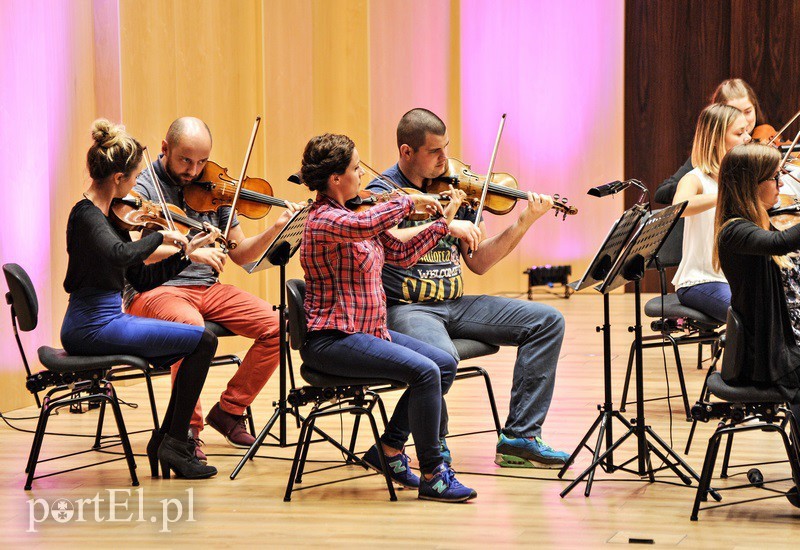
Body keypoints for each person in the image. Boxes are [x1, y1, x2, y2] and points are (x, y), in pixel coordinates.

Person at [366, 108, 569, 469]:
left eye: (446, 148)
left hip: (456, 304)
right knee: (437, 357)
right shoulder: (382, 193)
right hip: (407, 307)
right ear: (406, 152)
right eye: (434, 151)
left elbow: (479, 262)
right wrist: (444, 225)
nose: (445, 159)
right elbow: (390, 240)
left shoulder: (456, 189)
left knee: (547, 321)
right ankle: (432, 444)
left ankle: (520, 438)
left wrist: (523, 223)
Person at [299, 132, 477, 502]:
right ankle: (434, 474)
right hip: (333, 340)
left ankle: (390, 450)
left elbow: (401, 253)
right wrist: (408, 200)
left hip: (368, 333)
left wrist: (442, 222)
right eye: (355, 169)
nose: (362, 175)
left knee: (443, 364)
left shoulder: (355, 214)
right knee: (425, 372)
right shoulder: (325, 220)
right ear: (335, 178)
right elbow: (365, 226)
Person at [125, 117, 305, 458]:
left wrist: (276, 229)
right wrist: (186, 249)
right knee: (191, 331)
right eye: (185, 160)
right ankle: (185, 429)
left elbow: (241, 254)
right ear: (165, 148)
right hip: (156, 288)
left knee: (278, 326)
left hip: (207, 288)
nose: (194, 171)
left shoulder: (215, 188)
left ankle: (229, 410)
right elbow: (132, 251)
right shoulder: (143, 186)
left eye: (201, 161)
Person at [61, 119, 218, 479]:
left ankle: (169, 439)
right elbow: (120, 255)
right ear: (118, 178)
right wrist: (162, 235)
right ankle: (173, 442)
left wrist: (185, 255)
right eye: (133, 179)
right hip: (89, 326)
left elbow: (142, 279)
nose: (135, 186)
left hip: (107, 321)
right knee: (203, 341)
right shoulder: (86, 215)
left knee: (203, 340)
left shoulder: (109, 218)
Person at [671, 103, 751, 323]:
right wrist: (724, 195)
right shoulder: (695, 179)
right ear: (716, 139)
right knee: (749, 314)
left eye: (747, 131)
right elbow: (678, 207)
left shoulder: (741, 178)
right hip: (701, 281)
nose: (748, 138)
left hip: (737, 279)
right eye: (739, 133)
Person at [656, 78, 766, 205]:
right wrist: (725, 193)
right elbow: (677, 201)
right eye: (733, 112)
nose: (744, 120)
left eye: (748, 111)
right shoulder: (696, 177)